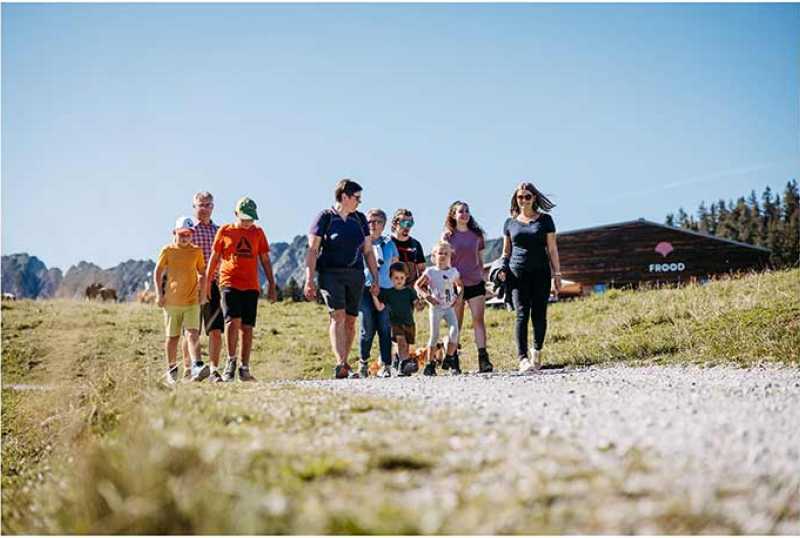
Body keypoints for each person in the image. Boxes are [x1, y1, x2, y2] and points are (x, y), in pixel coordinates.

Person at [304, 179, 380, 379]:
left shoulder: (360, 219)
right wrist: (309, 279)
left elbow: (368, 251)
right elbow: (312, 250)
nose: (359, 202)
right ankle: (340, 363)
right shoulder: (325, 218)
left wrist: (375, 277)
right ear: (344, 196)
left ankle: (345, 363)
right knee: (337, 315)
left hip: (355, 275)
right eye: (357, 198)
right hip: (330, 274)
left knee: (351, 320)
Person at [204, 197, 277, 382]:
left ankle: (244, 367)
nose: (248, 223)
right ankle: (231, 361)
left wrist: (272, 284)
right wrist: (207, 282)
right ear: (236, 214)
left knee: (247, 326)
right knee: (232, 321)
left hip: (251, 285)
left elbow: (265, 260)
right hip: (229, 283)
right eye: (244, 218)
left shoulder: (258, 233)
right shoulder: (225, 231)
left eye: (251, 219)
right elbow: (214, 257)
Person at [499, 182, 562, 372]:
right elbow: (505, 251)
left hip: (541, 272)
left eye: (528, 196)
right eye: (520, 197)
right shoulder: (509, 223)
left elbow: (552, 249)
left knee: (539, 314)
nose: (524, 200)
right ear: (515, 199)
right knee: (521, 313)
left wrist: (557, 273)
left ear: (534, 198)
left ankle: (537, 352)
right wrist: (501, 268)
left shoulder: (545, 220)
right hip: (517, 273)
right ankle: (522, 359)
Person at [154, 216, 207, 384]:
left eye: (188, 234)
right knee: (173, 338)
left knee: (192, 333)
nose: (185, 238)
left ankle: (197, 365)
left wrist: (203, 293)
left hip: (191, 301)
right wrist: (159, 294)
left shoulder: (196, 251)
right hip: (171, 303)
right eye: (182, 234)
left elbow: (202, 272)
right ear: (174, 233)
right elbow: (158, 272)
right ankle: (171, 369)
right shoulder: (168, 251)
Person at [442, 201, 493, 374]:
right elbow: (443, 260)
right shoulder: (448, 236)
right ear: (453, 215)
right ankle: (453, 358)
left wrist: (483, 278)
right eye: (460, 211)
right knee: (456, 324)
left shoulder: (476, 235)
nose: (464, 214)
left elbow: (480, 259)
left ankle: (483, 358)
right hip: (456, 284)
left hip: (475, 281)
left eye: (466, 211)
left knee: (478, 319)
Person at [180, 191, 225, 381]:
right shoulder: (189, 231)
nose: (204, 208)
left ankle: (214, 370)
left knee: (215, 329)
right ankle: (189, 368)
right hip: (191, 285)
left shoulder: (218, 231)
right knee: (191, 329)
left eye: (208, 205)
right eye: (201, 205)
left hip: (213, 284)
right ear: (194, 207)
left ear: (213, 207)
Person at [358, 208, 399, 378]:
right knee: (367, 325)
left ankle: (387, 365)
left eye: (377, 221)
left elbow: (395, 265)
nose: (373, 225)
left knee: (384, 327)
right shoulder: (360, 242)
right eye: (369, 221)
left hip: (386, 290)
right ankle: (363, 362)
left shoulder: (389, 243)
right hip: (365, 289)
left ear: (384, 225)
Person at [415, 240, 463, 376]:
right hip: (436, 308)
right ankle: (430, 365)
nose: (442, 256)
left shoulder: (454, 272)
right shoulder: (430, 271)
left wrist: (458, 297)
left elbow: (460, 285)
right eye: (440, 253)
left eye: (446, 253)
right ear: (434, 256)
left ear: (450, 256)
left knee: (454, 332)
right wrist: (426, 296)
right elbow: (417, 285)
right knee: (434, 336)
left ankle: (449, 358)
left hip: (449, 308)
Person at [374, 262, 419, 377]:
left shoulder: (409, 291)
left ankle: (403, 365)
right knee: (401, 342)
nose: (399, 280)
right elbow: (380, 307)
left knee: (406, 346)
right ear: (391, 278)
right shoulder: (389, 293)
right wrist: (374, 295)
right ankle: (403, 364)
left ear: (406, 278)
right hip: (395, 323)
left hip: (408, 323)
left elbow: (417, 304)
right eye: (396, 278)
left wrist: (421, 303)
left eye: (402, 278)